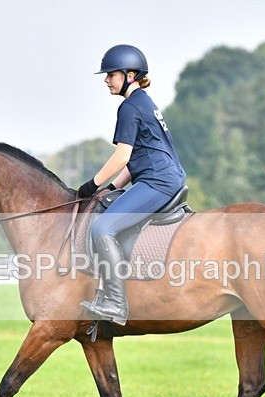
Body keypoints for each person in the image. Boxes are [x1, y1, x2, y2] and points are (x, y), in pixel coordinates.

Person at [77, 44, 187, 326]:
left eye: (111, 74)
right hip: (162, 177)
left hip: (157, 182)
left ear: (130, 74)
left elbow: (122, 155)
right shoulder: (145, 102)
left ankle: (114, 303)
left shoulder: (129, 107)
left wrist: (91, 185)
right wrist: (111, 188)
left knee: (102, 226)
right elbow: (134, 160)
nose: (106, 80)